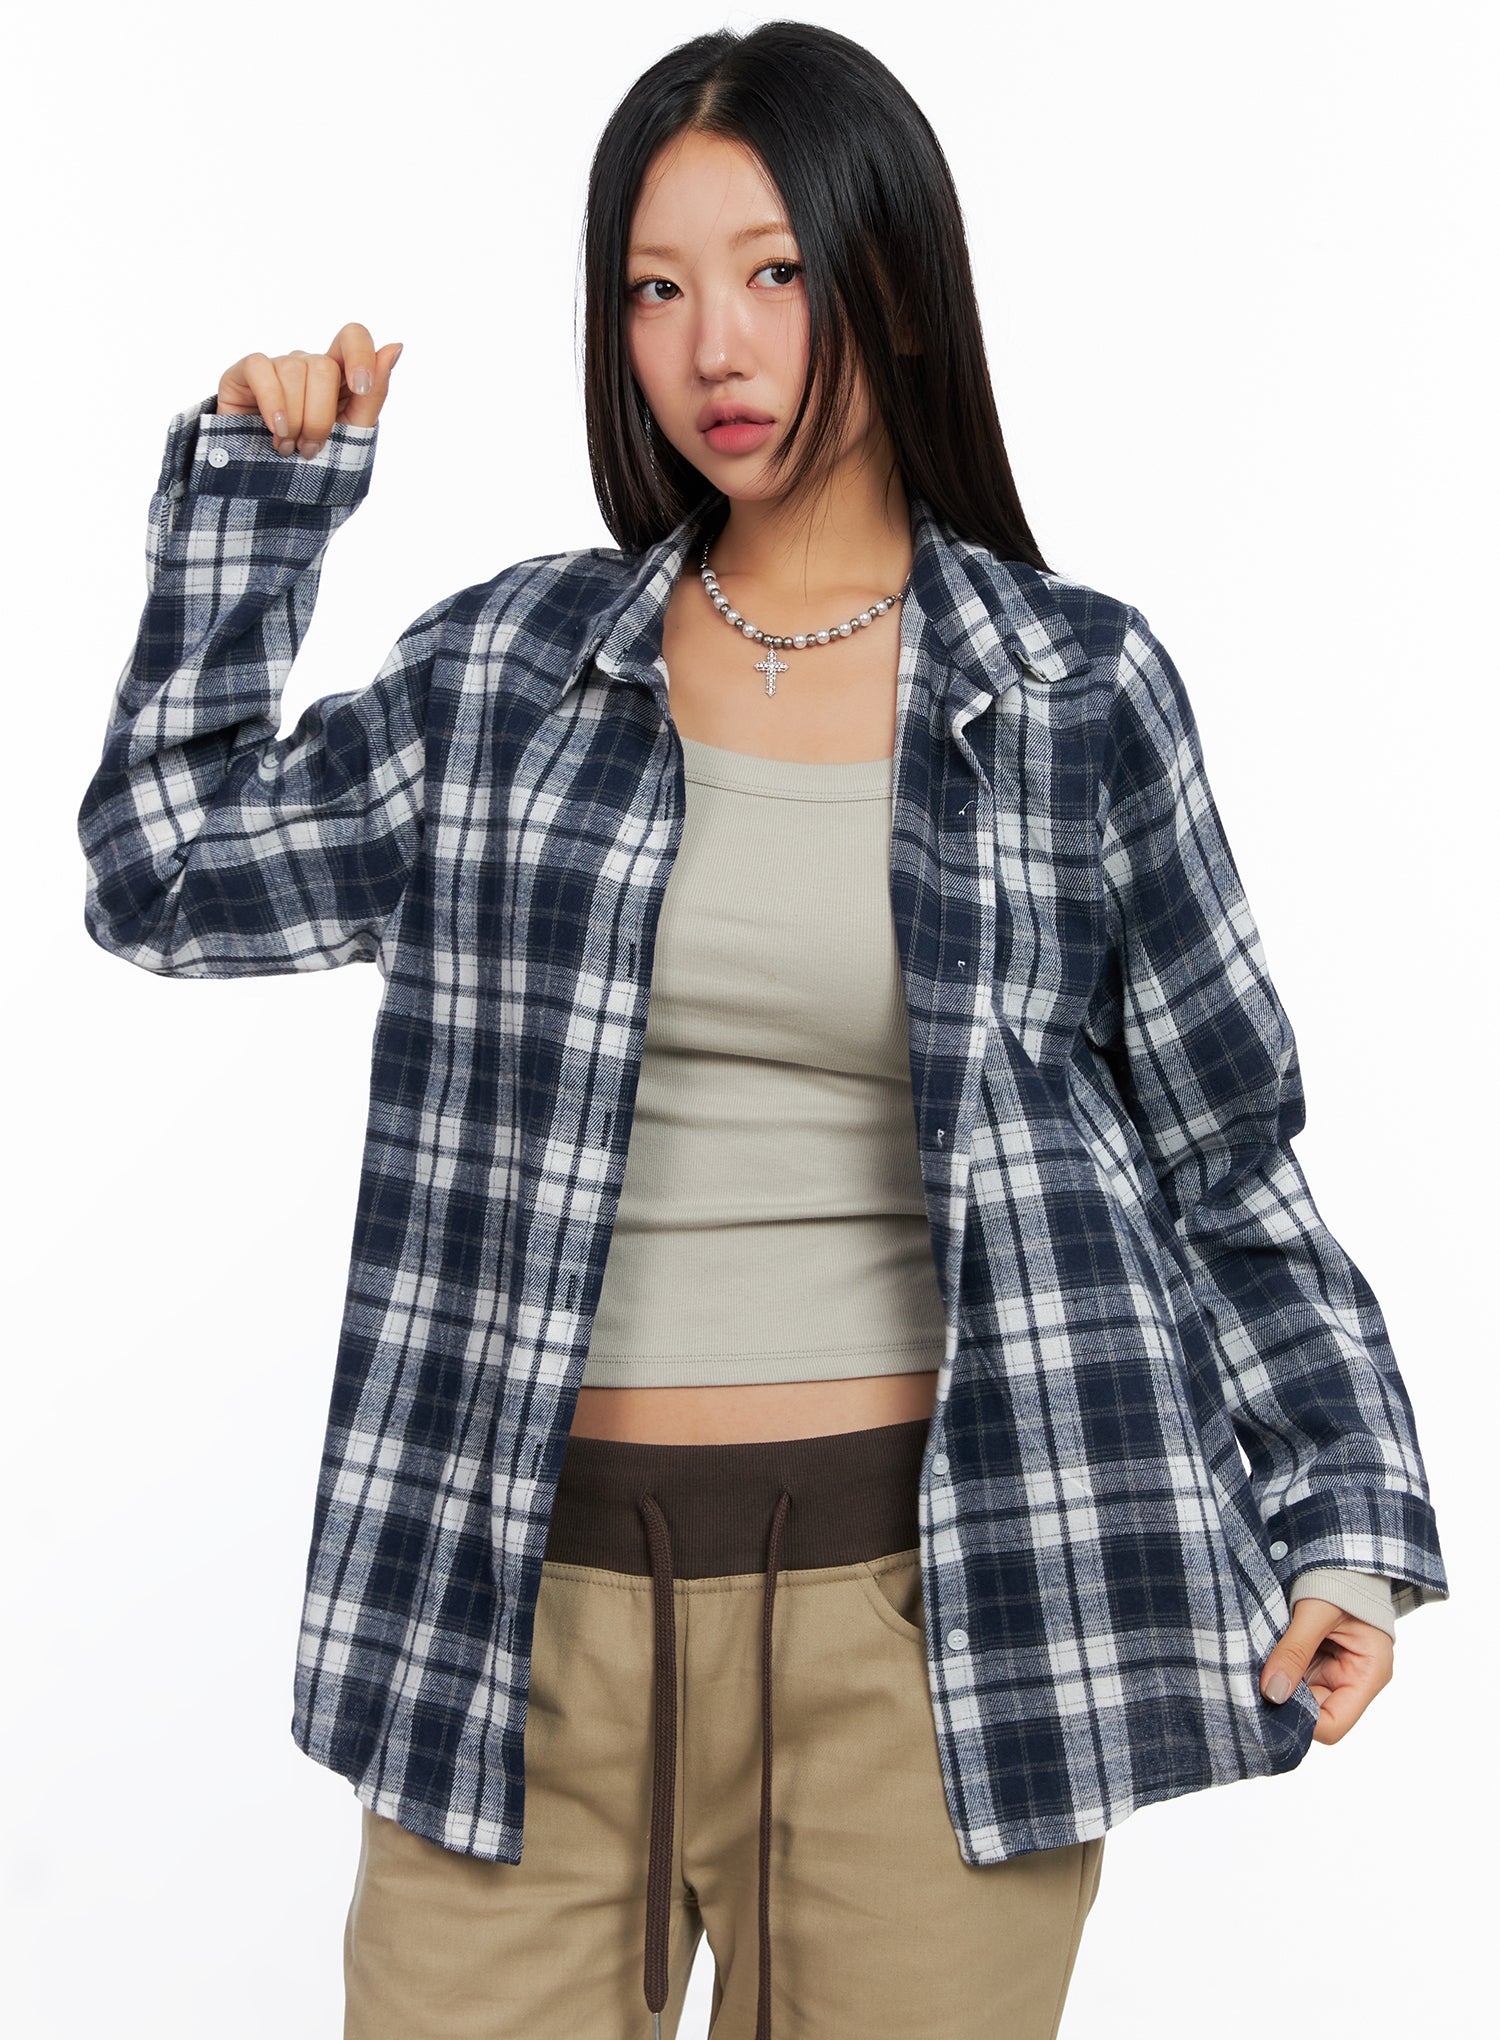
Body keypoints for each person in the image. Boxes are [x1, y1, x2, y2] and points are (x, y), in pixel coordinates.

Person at [76, 20, 1449, 2040]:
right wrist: (261, 511)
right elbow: (165, 871)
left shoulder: (1071, 694)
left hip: (937, 1645)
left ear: (897, 281)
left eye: (774, 271)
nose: (713, 344)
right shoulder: (509, 678)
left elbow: (1225, 1153)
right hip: (516, 1631)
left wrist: (1347, 1522)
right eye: (655, 288)